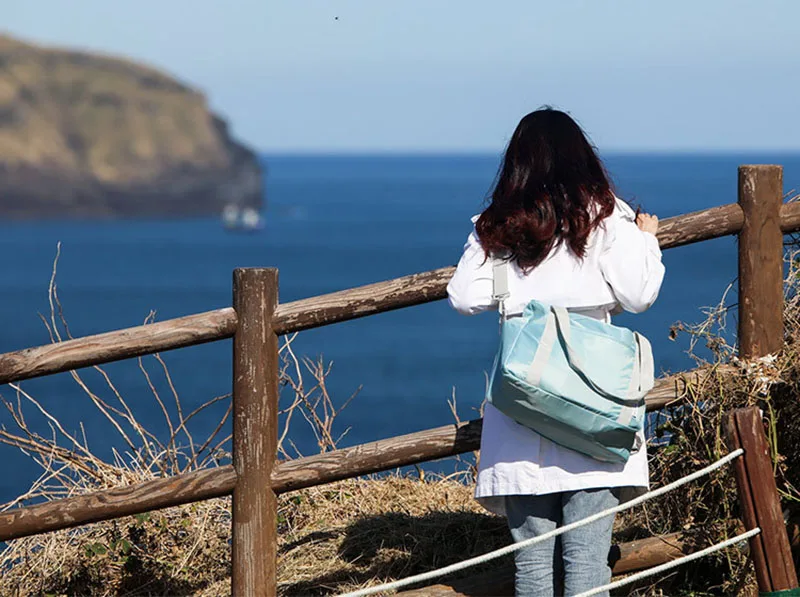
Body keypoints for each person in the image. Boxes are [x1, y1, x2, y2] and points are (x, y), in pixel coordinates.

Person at [446, 107, 665, 597]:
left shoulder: (500, 226)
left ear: (517, 165)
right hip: (595, 407)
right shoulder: (607, 218)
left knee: (532, 573)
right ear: (581, 158)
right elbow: (638, 295)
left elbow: (464, 296)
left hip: (525, 411)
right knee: (589, 568)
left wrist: (510, 280)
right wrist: (646, 241)